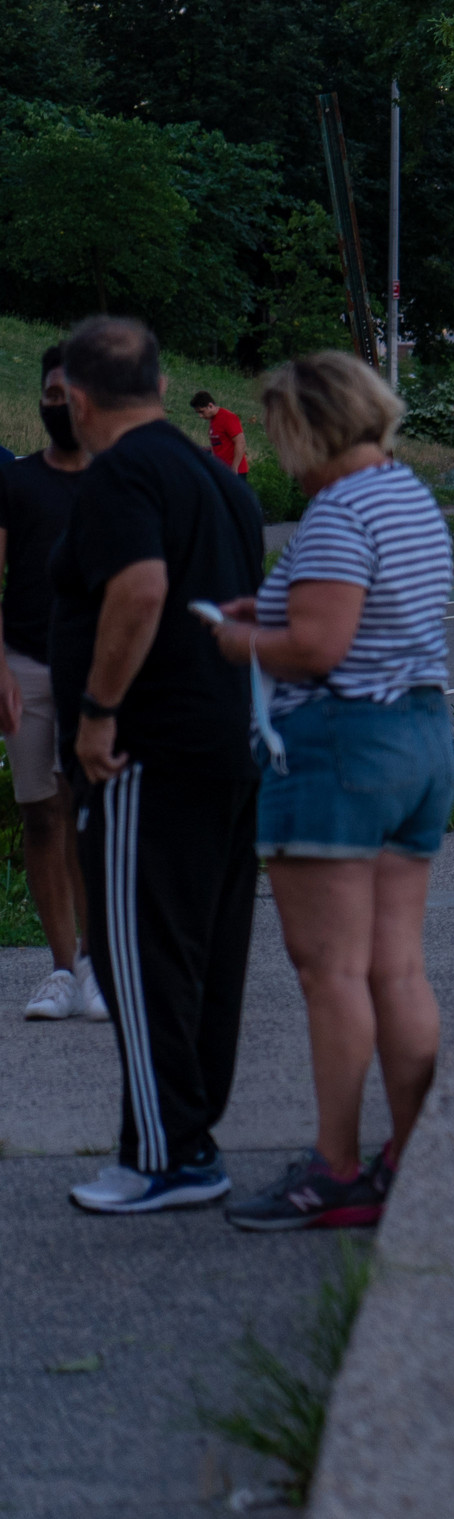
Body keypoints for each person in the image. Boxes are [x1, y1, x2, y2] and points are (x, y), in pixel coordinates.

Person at [208, 353, 454, 1230]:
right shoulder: (408, 497)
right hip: (419, 735)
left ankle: (335, 1166)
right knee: (397, 965)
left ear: (307, 429)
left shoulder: (339, 511)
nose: (281, 457)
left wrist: (240, 643)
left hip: (339, 748)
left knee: (332, 970)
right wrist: (274, 616)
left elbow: (319, 647)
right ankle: (411, 1156)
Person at [54, 316, 267, 1216]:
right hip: (226, 741)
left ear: (75, 397)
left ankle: (163, 1153)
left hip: (146, 749)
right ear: (165, 384)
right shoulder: (217, 479)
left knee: (140, 956)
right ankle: (191, 1132)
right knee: (206, 956)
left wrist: (99, 711)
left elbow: (140, 589)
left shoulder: (120, 474)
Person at [5, 346, 102, 1024]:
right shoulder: (15, 481)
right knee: (41, 811)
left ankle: (97, 963)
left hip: (99, 671)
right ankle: (62, 967)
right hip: (27, 663)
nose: (59, 406)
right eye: (50, 394)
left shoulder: (117, 480)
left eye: (71, 395)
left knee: (90, 813)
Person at [190, 389, 248, 475]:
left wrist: (235, 467)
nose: (200, 415)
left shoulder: (228, 417)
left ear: (210, 406)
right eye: (198, 412)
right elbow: (219, 445)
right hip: (221, 470)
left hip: (234, 471)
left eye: (202, 411)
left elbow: (241, 442)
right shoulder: (213, 420)